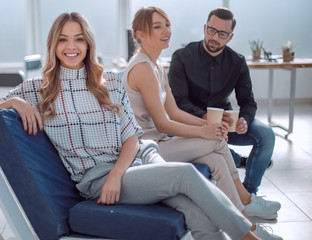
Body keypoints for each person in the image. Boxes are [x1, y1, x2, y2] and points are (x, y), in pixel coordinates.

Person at [0, 11, 276, 240]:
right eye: (63, 40)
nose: (71, 47)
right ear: (53, 44)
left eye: (78, 39)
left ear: (88, 44)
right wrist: (16, 103)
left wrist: (118, 175)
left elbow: (132, 137)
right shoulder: (38, 89)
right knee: (185, 175)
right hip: (95, 179)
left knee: (192, 207)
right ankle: (247, 237)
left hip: (133, 164)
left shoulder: (109, 82)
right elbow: (2, 101)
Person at [123, 6, 282, 240]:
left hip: (162, 141)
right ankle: (247, 211)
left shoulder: (157, 67)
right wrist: (204, 130)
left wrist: (206, 128)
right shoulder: (143, 68)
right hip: (147, 149)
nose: (166, 30)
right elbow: (164, 123)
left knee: (216, 158)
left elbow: (174, 111)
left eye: (167, 24)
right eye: (157, 27)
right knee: (216, 142)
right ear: (139, 34)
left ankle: (245, 226)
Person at [168, 7, 275, 194]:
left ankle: (248, 194)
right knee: (168, 134)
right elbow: (178, 101)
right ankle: (234, 159)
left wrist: (245, 120)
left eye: (222, 33)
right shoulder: (182, 57)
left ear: (230, 37)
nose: (215, 37)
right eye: (212, 30)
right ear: (204, 28)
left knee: (267, 135)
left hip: (226, 125)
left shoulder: (237, 62)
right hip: (192, 124)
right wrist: (204, 118)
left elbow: (248, 102)